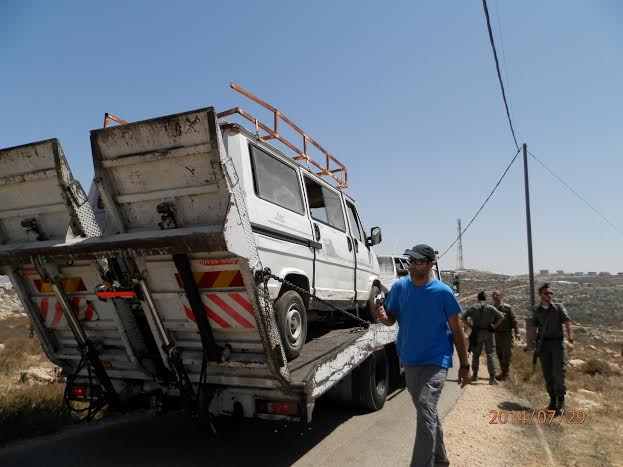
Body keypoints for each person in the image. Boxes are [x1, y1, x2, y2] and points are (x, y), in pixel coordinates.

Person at [374, 244, 470, 467]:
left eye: (418, 261)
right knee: (427, 412)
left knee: (426, 405)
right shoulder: (400, 288)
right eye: (411, 260)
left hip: (437, 360)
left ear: (430, 264)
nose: (412, 265)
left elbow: (457, 330)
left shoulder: (443, 293)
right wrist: (381, 315)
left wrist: (464, 365)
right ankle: (441, 458)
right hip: (410, 360)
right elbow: (391, 319)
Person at [533, 283, 573, 414]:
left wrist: (571, 339)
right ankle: (552, 400)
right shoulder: (537, 311)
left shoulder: (558, 308)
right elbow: (533, 329)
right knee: (548, 374)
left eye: (551, 293)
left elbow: (567, 323)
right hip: (543, 345)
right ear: (540, 295)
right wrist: (530, 345)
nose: (549, 295)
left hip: (557, 344)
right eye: (546, 293)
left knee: (558, 373)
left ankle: (561, 402)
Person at [460, 291, 504, 385]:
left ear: (478, 298)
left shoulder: (473, 307)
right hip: (488, 333)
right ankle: (492, 378)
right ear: (485, 298)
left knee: (475, 354)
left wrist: (471, 327)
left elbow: (463, 318)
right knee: (490, 354)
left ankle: (475, 376)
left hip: (477, 333)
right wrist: (494, 326)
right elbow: (501, 317)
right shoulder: (490, 307)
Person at [492, 290, 520, 381]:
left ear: (501, 296)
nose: (495, 296)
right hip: (496, 335)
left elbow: (514, 320)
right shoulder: (492, 309)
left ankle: (505, 374)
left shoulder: (507, 308)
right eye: (494, 295)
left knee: (506, 354)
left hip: (506, 335)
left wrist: (517, 332)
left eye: (497, 295)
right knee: (499, 354)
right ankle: (503, 373)